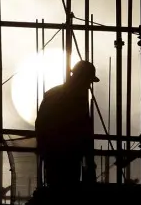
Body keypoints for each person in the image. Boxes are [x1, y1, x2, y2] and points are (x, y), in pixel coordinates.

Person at [35, 60, 98, 190]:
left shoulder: (53, 94)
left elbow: (40, 124)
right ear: (81, 78)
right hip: (65, 158)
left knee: (59, 192)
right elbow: (84, 131)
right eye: (88, 81)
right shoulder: (77, 101)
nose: (88, 86)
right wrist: (89, 161)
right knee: (65, 193)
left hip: (57, 157)